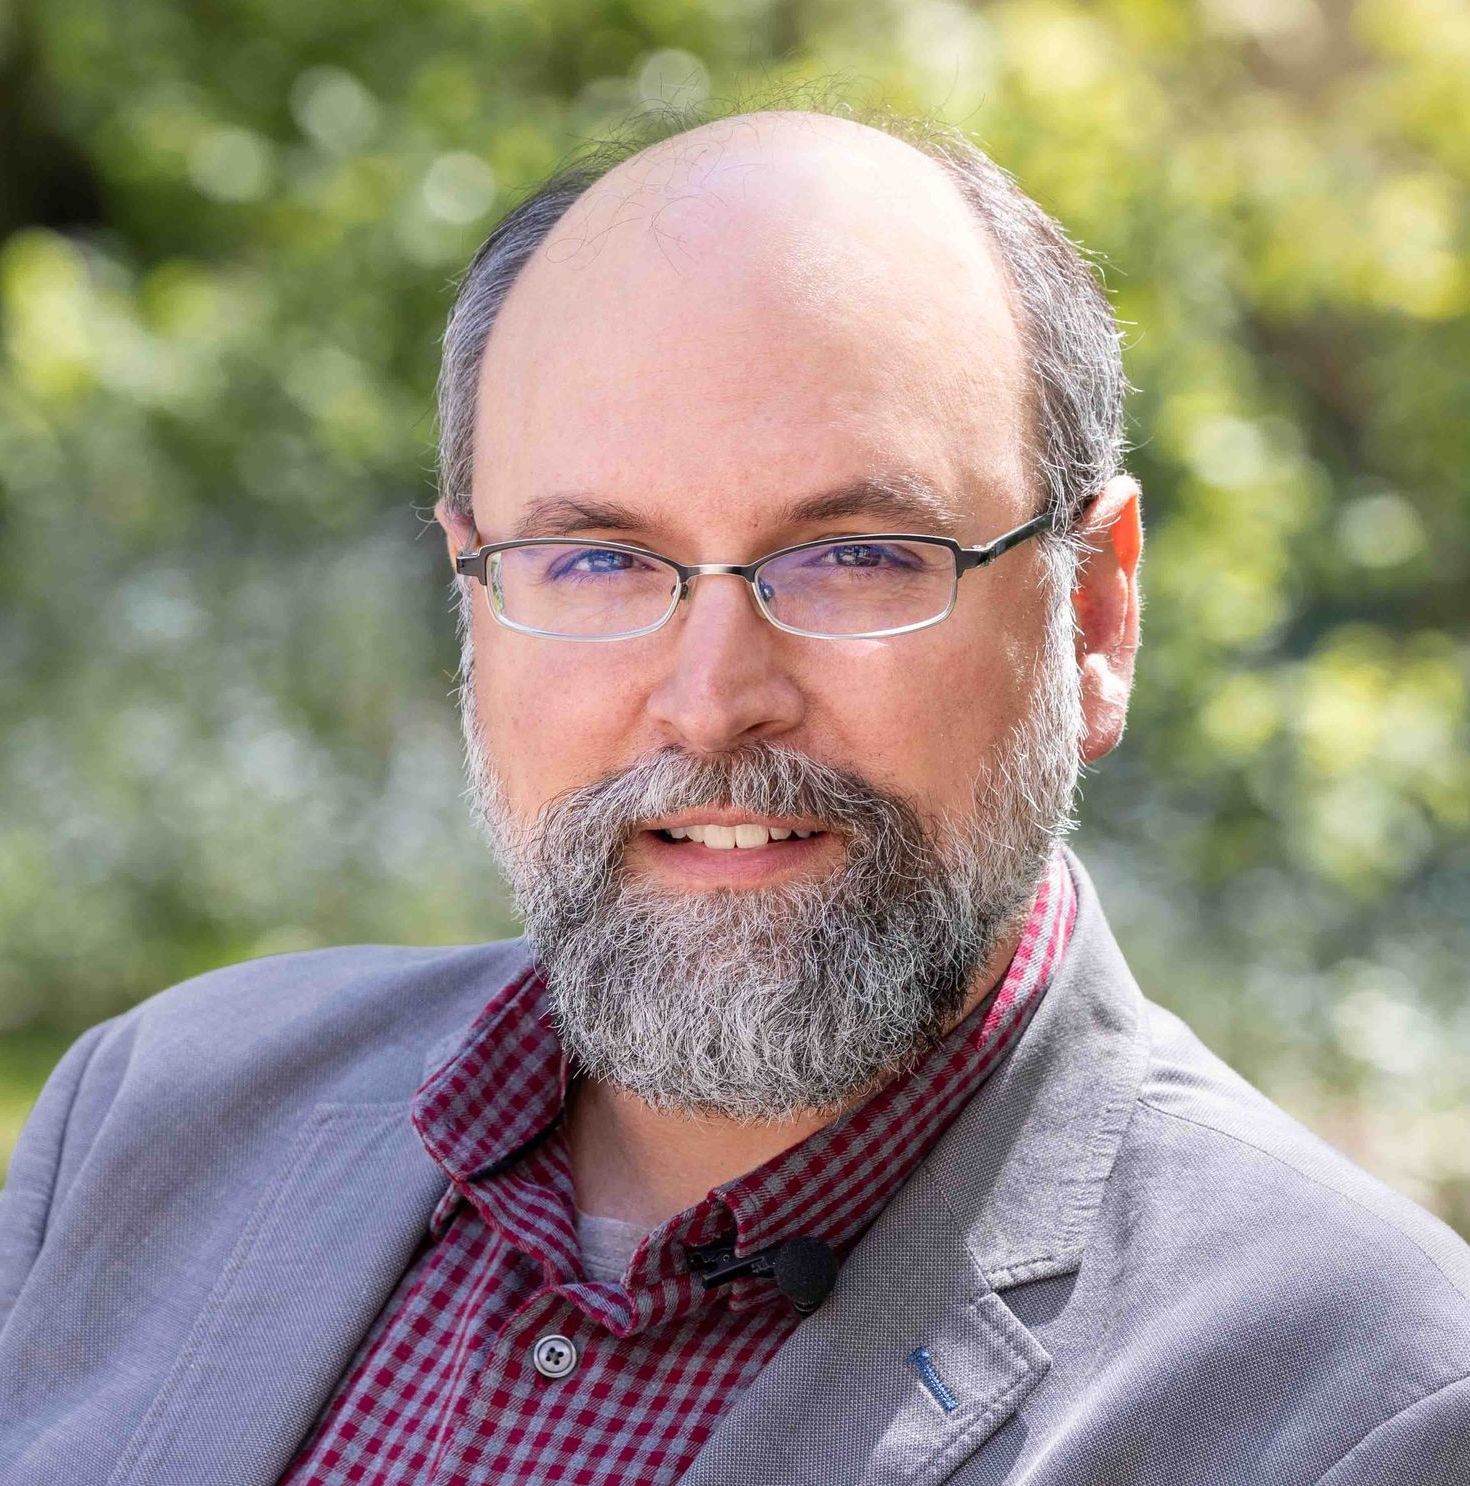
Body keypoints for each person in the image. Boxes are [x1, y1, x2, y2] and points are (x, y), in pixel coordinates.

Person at [1, 105, 1467, 1486]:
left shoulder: (1363, 1399)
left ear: (1092, 617)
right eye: (595, 559)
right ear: (473, 582)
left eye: (857, 556)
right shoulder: (153, 1118)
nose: (710, 696)